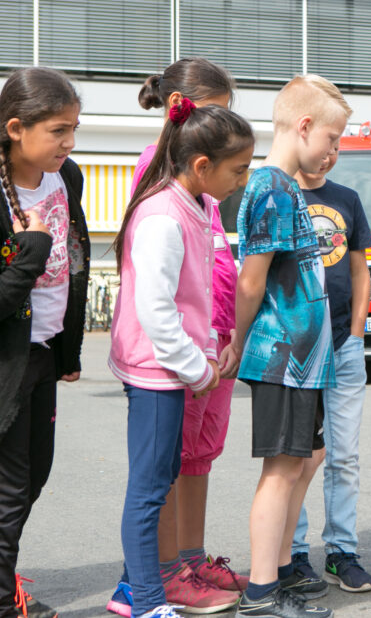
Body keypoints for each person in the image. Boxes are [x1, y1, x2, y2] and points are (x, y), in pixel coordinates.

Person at [107, 57, 246, 617]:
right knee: (150, 489)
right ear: (202, 158)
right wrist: (195, 364)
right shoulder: (163, 210)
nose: (242, 182)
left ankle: (142, 588)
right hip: (163, 367)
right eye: (238, 170)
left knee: (167, 474)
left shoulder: (196, 199)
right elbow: (157, 307)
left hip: (186, 360)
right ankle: (145, 597)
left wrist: (218, 342)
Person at [232, 75, 350, 618]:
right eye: (332, 138)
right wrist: (235, 340)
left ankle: (279, 570)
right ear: (304, 127)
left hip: (307, 361)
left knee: (306, 460)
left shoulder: (285, 187)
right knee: (281, 470)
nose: (334, 150)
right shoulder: (271, 189)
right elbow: (251, 281)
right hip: (282, 357)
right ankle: (261, 592)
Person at [0, 67, 90, 618]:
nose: (69, 143)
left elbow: (74, 263)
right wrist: (30, 244)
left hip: (43, 350)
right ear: (15, 128)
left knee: (34, 477)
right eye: (58, 130)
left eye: (73, 129)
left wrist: (69, 350)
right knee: (9, 490)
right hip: (7, 358)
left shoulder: (67, 176)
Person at [287, 141, 371, 594]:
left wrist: (357, 332)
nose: (329, 154)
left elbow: (361, 270)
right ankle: (294, 552)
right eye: (326, 144)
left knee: (344, 454)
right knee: (297, 455)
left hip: (345, 343)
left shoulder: (347, 199)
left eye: (337, 147)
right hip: (297, 347)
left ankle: (342, 551)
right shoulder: (279, 195)